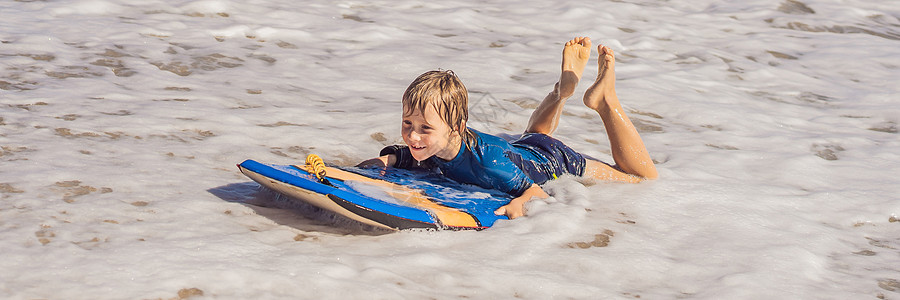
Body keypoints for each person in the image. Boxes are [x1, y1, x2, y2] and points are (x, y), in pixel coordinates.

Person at [357, 37, 658, 219]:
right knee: (535, 135)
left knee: (641, 178)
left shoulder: (488, 164)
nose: (412, 136)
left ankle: (605, 100)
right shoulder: (434, 145)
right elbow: (409, 154)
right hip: (523, 148)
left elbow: (537, 193)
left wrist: (521, 204)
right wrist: (386, 160)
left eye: (424, 128)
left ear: (457, 128)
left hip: (555, 160)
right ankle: (561, 92)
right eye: (407, 124)